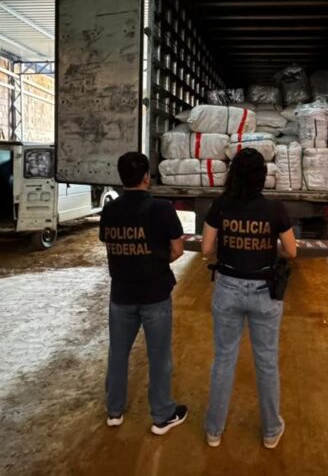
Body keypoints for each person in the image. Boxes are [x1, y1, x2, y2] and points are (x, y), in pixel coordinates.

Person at [201, 148, 298, 449]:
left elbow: (206, 249)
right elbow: (292, 251)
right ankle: (271, 432)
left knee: (223, 360)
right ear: (262, 177)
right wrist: (269, 248)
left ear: (233, 175)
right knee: (267, 362)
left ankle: (214, 430)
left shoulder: (220, 205)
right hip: (264, 293)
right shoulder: (275, 209)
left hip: (228, 288)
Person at [99, 151, 188, 435]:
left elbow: (110, 244)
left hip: (121, 295)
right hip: (155, 294)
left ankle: (114, 411)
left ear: (121, 177)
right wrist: (156, 262)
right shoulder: (161, 208)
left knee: (118, 353)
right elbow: (177, 249)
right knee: (159, 356)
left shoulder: (110, 210)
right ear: (147, 177)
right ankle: (162, 416)